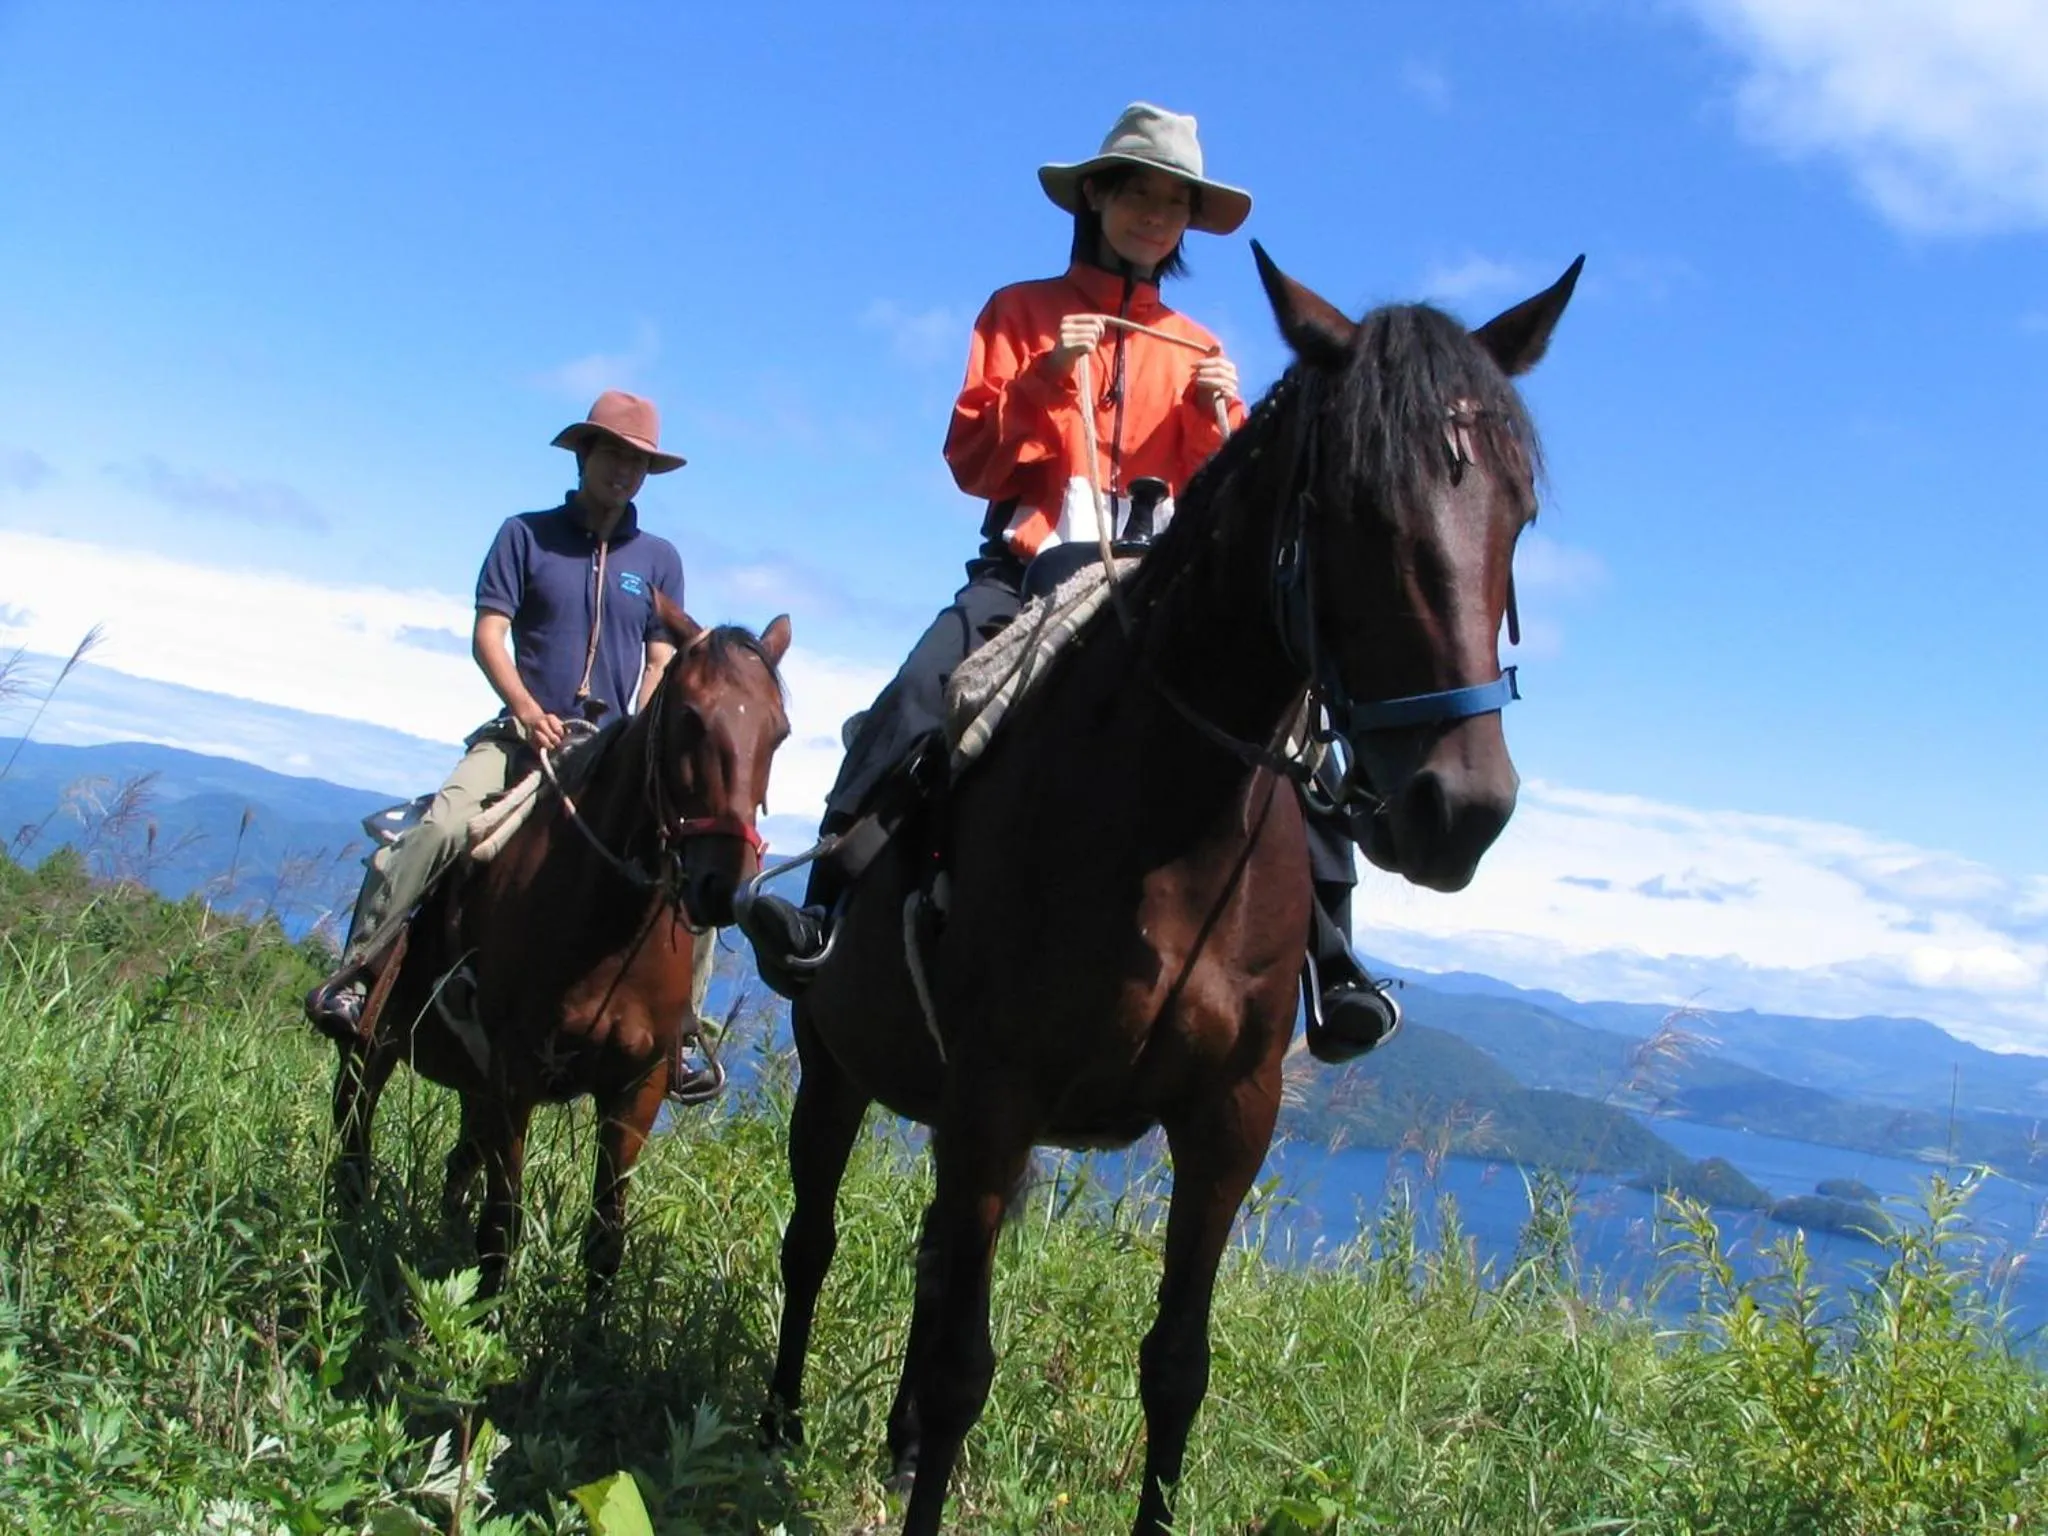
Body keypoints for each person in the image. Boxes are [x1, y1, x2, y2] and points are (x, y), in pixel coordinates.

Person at [739, 103, 1398, 1054]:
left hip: (1167, 584)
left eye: (1175, 204)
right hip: (1031, 567)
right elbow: (975, 462)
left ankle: (1332, 959)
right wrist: (1049, 379)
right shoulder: (1019, 311)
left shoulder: (1202, 346)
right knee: (923, 691)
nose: (1155, 216)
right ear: (1098, 195)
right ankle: (826, 905)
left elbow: (1225, 507)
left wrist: (1222, 431)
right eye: (1139, 192)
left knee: (1292, 727)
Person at [305, 389, 691, 1049]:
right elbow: (489, 634)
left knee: (686, 865)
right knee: (442, 826)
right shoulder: (527, 534)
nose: (624, 471)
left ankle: (678, 1030)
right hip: (520, 738)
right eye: (614, 455)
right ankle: (360, 974)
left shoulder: (658, 561)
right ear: (585, 454)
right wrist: (527, 709)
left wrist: (638, 734)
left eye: (638, 462)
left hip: (611, 752)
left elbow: (661, 658)